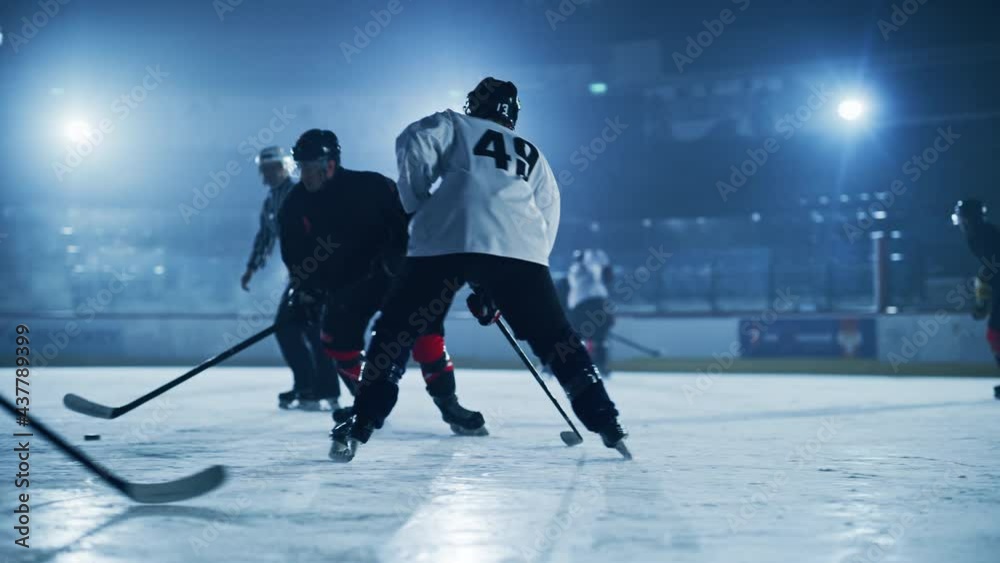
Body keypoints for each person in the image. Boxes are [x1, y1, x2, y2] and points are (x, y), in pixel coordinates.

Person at [330, 77, 629, 462]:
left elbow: (412, 138)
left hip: (446, 237)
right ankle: (606, 421)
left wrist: (416, 202)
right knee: (558, 339)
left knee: (396, 329)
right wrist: (504, 280)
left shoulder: (455, 123)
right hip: (522, 249)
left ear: (474, 105)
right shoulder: (532, 151)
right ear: (513, 115)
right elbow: (548, 211)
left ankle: (363, 418)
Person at [279, 129, 486, 433]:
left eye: (310, 168)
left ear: (331, 164)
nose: (305, 175)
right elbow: (295, 255)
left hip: (395, 280)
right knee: (336, 342)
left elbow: (413, 221)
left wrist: (403, 256)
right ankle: (366, 401)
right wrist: (305, 290)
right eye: (301, 168)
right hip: (346, 289)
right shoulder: (295, 204)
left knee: (426, 335)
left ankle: (450, 406)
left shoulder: (372, 186)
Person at [240, 146, 337, 411]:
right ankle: (309, 385)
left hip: (317, 273)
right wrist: (252, 267)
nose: (267, 175)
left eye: (272, 169)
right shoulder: (271, 201)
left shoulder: (302, 193)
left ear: (285, 168)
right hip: (299, 275)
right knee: (291, 329)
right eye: (264, 171)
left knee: (311, 331)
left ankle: (321, 389)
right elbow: (266, 236)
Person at [951, 199, 1000, 399]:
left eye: (962, 218)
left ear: (970, 219)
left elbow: (993, 265)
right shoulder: (981, 234)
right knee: (995, 335)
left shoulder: (981, 236)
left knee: (995, 334)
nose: (960, 222)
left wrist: (981, 299)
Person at [567, 248, 615, 376]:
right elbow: (606, 275)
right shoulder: (585, 268)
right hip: (594, 304)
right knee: (597, 338)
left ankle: (590, 365)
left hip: (585, 305)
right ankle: (599, 365)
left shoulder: (575, 270)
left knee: (580, 337)